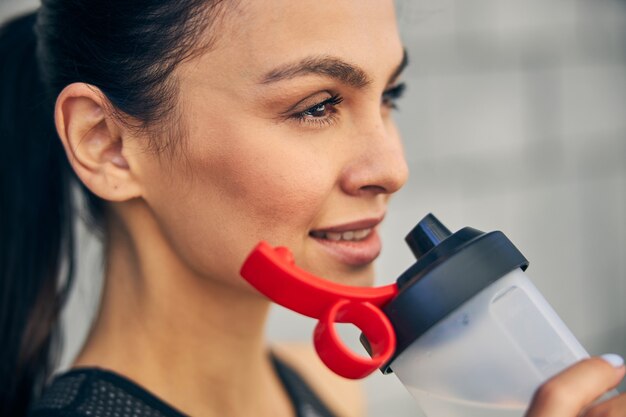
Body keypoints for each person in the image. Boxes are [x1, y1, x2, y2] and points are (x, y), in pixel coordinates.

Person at [0, 1, 624, 416]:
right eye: (317, 106)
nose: (393, 169)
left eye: (389, 94)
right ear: (106, 145)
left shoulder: (328, 388)